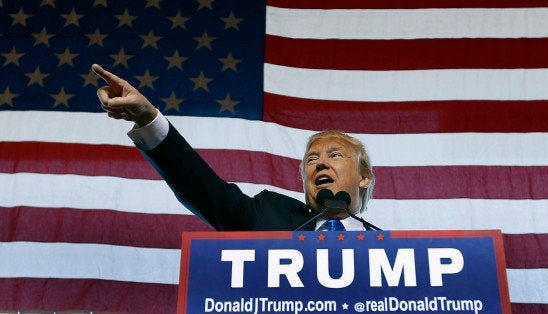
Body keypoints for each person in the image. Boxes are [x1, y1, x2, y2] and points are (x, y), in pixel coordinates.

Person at [92, 64, 376, 231]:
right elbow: (202, 189)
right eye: (311, 159)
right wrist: (147, 118)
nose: (320, 164)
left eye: (335, 155)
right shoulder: (265, 214)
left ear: (364, 177)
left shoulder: (393, 253)